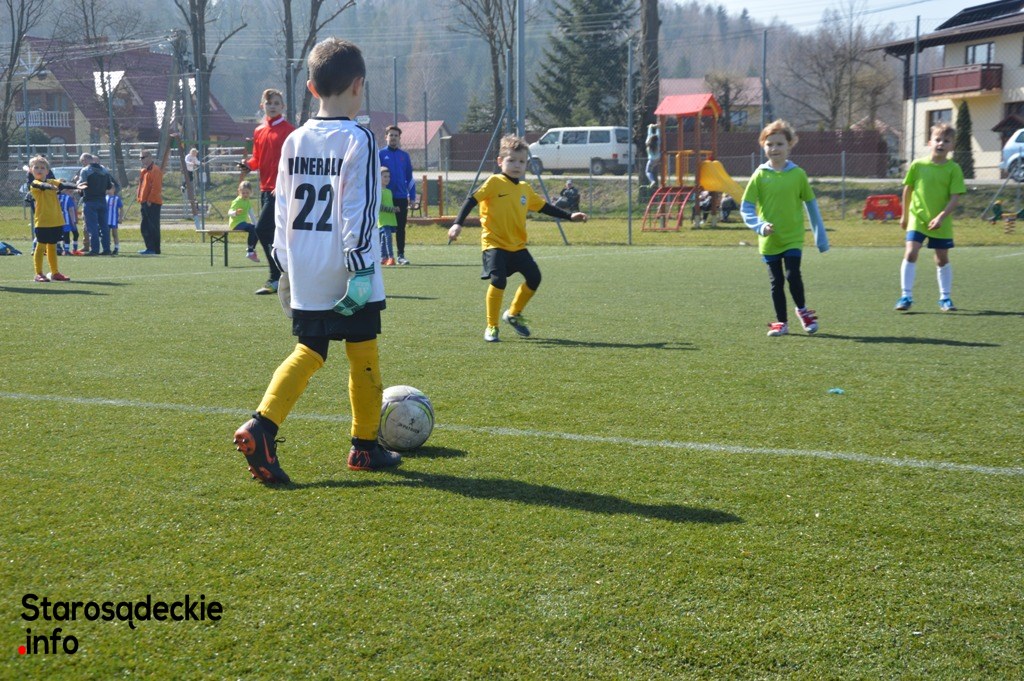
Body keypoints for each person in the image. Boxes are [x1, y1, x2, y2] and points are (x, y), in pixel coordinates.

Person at [233, 37, 400, 483]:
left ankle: (262, 426)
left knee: (309, 351)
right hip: (348, 268)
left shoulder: (294, 139)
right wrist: (361, 270)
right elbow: (359, 210)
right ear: (359, 85)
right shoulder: (360, 139)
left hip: (305, 267)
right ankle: (364, 447)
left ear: (310, 88)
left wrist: (285, 266)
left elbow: (281, 208)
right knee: (363, 352)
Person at [447, 134, 588, 342]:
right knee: (498, 281)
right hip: (494, 243)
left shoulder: (524, 189)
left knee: (534, 278)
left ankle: (513, 314)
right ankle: (492, 326)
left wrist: (569, 216)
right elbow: (471, 200)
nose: (516, 165)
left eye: (521, 161)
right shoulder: (494, 182)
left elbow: (544, 207)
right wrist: (457, 223)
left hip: (517, 246)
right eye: (511, 160)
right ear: (500, 161)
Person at [740, 120, 829, 337]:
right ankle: (782, 323)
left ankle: (803, 312)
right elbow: (746, 207)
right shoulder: (760, 175)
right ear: (763, 146)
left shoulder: (798, 174)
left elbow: (811, 206)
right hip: (769, 240)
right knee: (776, 282)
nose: (774, 148)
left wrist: (821, 238)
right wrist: (760, 226)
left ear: (789, 145)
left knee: (792, 275)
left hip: (792, 237)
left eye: (779, 144)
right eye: (769, 144)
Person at [894, 123, 965, 313]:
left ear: (952, 146)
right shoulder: (918, 165)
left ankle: (945, 298)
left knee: (941, 259)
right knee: (911, 252)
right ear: (930, 142)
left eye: (946, 141)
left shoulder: (954, 169)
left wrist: (941, 216)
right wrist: (904, 215)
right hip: (917, 218)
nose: (941, 143)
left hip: (941, 222)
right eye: (938, 139)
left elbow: (955, 198)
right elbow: (908, 190)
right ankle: (906, 296)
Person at [239, 88, 295, 294]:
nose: (272, 106)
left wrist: (283, 184)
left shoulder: (289, 131)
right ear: (262, 105)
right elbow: (257, 158)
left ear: (283, 107)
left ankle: (276, 277)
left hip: (282, 190)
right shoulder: (259, 131)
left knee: (263, 229)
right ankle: (283, 276)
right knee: (274, 233)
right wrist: (248, 165)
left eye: (276, 103)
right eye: (269, 103)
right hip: (266, 190)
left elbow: (293, 162)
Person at [27, 155, 75, 282]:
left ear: (47, 171)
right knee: (41, 247)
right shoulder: (34, 183)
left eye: (42, 168)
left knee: (53, 246)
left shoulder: (52, 181)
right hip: (42, 221)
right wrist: (51, 187)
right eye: (36, 167)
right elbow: (42, 186)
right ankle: (38, 273)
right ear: (31, 170)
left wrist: (76, 186)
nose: (39, 170)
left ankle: (55, 273)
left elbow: (63, 184)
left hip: (56, 220)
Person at [378, 124, 416, 265]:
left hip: (400, 197)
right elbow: (373, 175)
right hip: (384, 197)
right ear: (386, 137)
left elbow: (409, 177)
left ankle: (401, 255)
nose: (393, 138)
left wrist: (412, 197)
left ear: (399, 138)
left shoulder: (404, 156)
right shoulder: (380, 154)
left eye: (396, 135)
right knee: (383, 227)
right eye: (391, 135)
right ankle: (382, 256)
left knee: (400, 227)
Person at [77, 153, 114, 255]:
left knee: (92, 227)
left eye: (82, 161)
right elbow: (109, 186)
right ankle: (106, 249)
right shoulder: (105, 170)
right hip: (102, 200)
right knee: (104, 226)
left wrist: (78, 186)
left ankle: (95, 249)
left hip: (90, 201)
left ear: (87, 160)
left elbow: (83, 185)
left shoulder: (85, 170)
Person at [137, 150, 163, 255]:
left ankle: (154, 249)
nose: (141, 160)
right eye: (140, 158)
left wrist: (150, 200)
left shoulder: (155, 170)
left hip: (152, 203)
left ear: (149, 157)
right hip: (144, 202)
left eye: (143, 157)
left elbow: (156, 187)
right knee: (145, 226)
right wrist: (140, 198)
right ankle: (150, 248)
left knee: (152, 226)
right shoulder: (144, 171)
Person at [227, 180, 260, 262]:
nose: (245, 194)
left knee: (256, 229)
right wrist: (235, 213)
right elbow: (229, 212)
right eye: (243, 193)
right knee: (251, 228)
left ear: (251, 192)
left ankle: (251, 250)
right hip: (235, 224)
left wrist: (257, 226)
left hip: (243, 223)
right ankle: (250, 252)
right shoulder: (237, 201)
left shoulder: (248, 202)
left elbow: (251, 215)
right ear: (239, 191)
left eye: (247, 193)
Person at [378, 167, 398, 266]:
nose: (387, 179)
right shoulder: (378, 191)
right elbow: (380, 206)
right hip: (383, 220)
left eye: (388, 176)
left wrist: (394, 209)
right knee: (387, 237)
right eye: (385, 176)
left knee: (383, 238)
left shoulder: (389, 191)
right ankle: (391, 257)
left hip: (390, 219)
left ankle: (383, 257)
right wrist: (392, 209)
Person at [58, 186, 80, 256]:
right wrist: (74, 221)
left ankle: (68, 249)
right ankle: (67, 250)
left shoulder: (58, 196)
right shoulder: (68, 198)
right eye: (71, 191)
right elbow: (71, 210)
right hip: (68, 219)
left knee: (65, 234)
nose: (72, 192)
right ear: (66, 190)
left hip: (59, 218)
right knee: (69, 234)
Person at [106, 183, 123, 255]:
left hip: (113, 220)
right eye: (107, 189)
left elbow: (121, 208)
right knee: (106, 234)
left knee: (114, 234)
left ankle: (116, 248)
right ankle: (107, 248)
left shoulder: (116, 198)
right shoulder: (105, 198)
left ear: (113, 189)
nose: (107, 190)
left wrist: (120, 218)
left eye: (109, 188)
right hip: (106, 220)